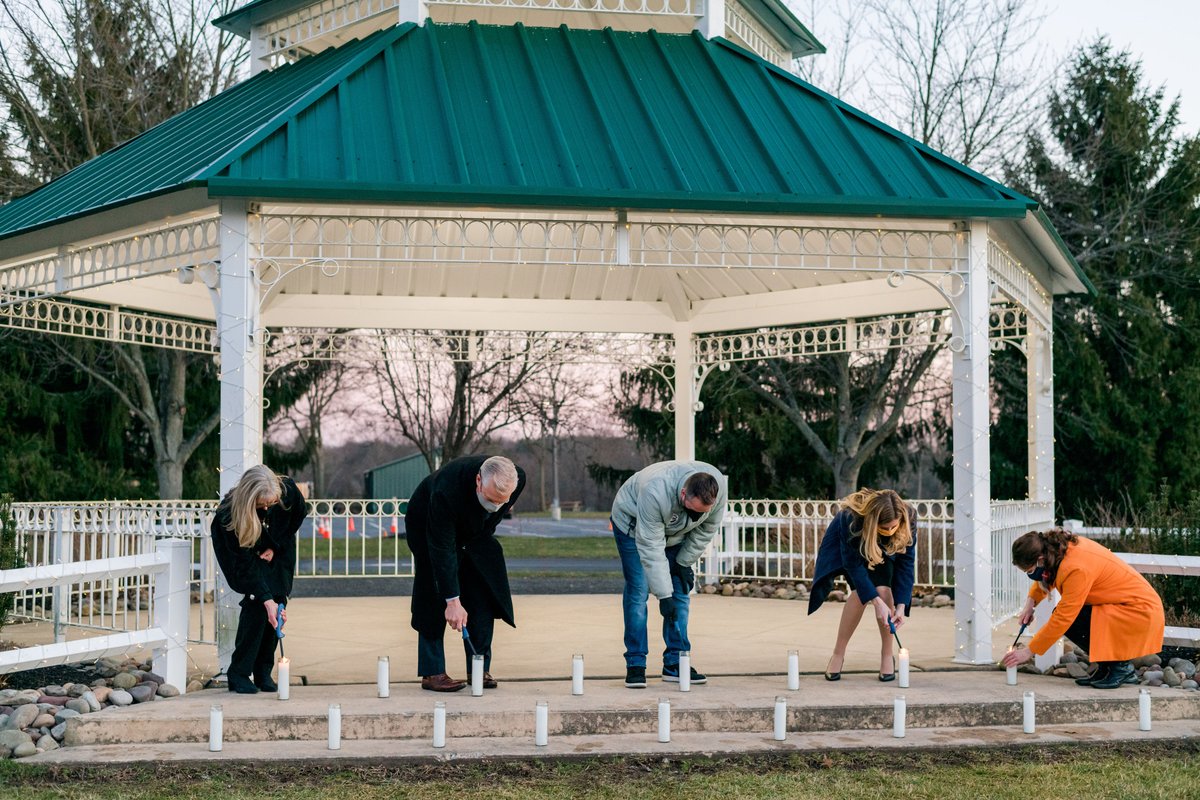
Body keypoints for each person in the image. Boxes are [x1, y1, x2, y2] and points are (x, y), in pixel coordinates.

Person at [406, 455, 525, 692]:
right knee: (433, 590)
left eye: (502, 502)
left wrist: (477, 532)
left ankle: (478, 666)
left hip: (475, 531)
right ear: (478, 480)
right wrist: (452, 600)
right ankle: (433, 672)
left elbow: (493, 518)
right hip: (427, 526)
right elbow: (441, 548)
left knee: (482, 589)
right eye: (491, 499)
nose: (496, 506)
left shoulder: (518, 479)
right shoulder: (446, 491)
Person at [610, 460, 727, 689]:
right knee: (638, 591)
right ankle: (635, 663)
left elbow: (706, 529)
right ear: (683, 493)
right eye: (691, 510)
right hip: (634, 527)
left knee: (681, 591)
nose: (695, 517)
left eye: (700, 513)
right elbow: (651, 546)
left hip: (676, 534)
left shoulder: (717, 489)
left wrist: (683, 563)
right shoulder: (655, 491)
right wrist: (664, 596)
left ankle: (676, 662)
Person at [1001, 528, 1165, 689]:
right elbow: (1047, 576)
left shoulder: (1075, 568)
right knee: (1073, 618)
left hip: (1138, 611)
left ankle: (1121, 667)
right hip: (1118, 605)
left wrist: (1029, 651)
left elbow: (1063, 618)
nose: (1031, 575)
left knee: (1072, 621)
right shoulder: (1059, 550)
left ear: (1041, 559)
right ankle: (1106, 667)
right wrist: (1030, 603)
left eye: (1030, 570)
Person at [210, 465, 306, 694]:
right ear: (249, 497)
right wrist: (264, 598)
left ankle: (264, 671)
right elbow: (243, 564)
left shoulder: (288, 491)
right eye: (261, 504)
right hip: (246, 556)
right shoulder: (228, 516)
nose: (266, 507)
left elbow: (297, 517)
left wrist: (275, 545)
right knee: (257, 606)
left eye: (271, 504)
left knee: (278, 603)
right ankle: (239, 672)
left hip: (278, 550)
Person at [808, 488, 915, 682]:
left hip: (885, 551)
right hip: (857, 549)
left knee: (884, 590)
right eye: (885, 528)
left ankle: (886, 655)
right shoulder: (851, 519)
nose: (890, 531)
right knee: (860, 594)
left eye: (893, 527)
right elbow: (852, 565)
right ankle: (838, 654)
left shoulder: (909, 518)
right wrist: (875, 602)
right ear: (875, 522)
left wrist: (900, 606)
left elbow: (906, 565)